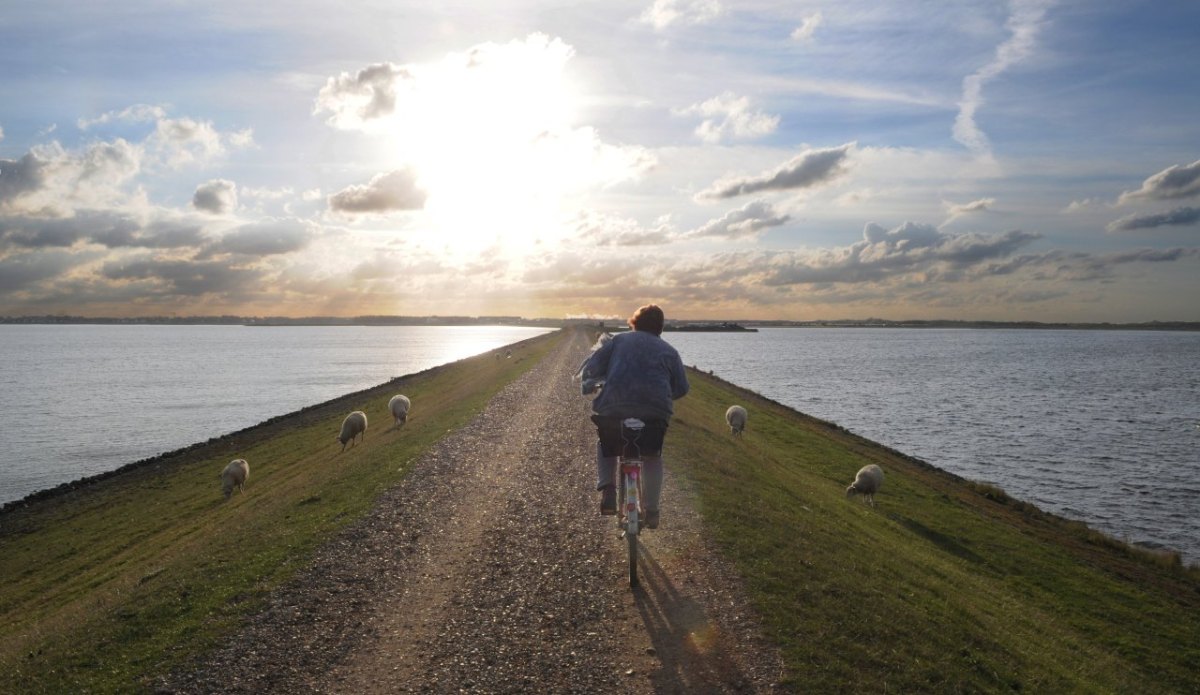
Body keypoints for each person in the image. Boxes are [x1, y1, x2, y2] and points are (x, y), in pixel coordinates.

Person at [578, 304, 689, 529]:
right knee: (652, 456)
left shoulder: (617, 341)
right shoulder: (669, 351)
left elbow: (592, 368)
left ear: (634, 322)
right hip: (654, 413)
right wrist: (662, 398)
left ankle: (608, 489)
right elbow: (682, 388)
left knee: (606, 442)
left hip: (614, 407)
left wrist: (591, 384)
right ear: (660, 328)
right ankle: (653, 510)